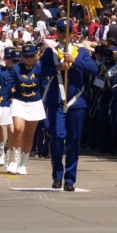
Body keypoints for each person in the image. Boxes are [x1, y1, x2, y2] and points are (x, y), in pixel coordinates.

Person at [39, 21, 99, 189]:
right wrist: (57, 67)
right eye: (61, 30)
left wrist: (75, 61)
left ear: (73, 33)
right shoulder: (50, 52)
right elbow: (39, 71)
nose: (64, 34)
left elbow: (94, 69)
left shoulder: (80, 51)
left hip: (76, 102)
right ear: (56, 33)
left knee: (73, 140)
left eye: (68, 31)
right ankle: (58, 174)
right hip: (57, 101)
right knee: (57, 136)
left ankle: (70, 179)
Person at [6, 44, 46, 175]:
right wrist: (1, 101)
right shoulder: (16, 68)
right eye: (27, 56)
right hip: (19, 101)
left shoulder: (40, 68)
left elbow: (44, 86)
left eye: (31, 56)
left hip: (35, 102)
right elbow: (8, 85)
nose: (29, 59)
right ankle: (14, 160)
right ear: (23, 57)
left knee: (29, 134)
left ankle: (23, 163)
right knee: (18, 129)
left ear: (35, 56)